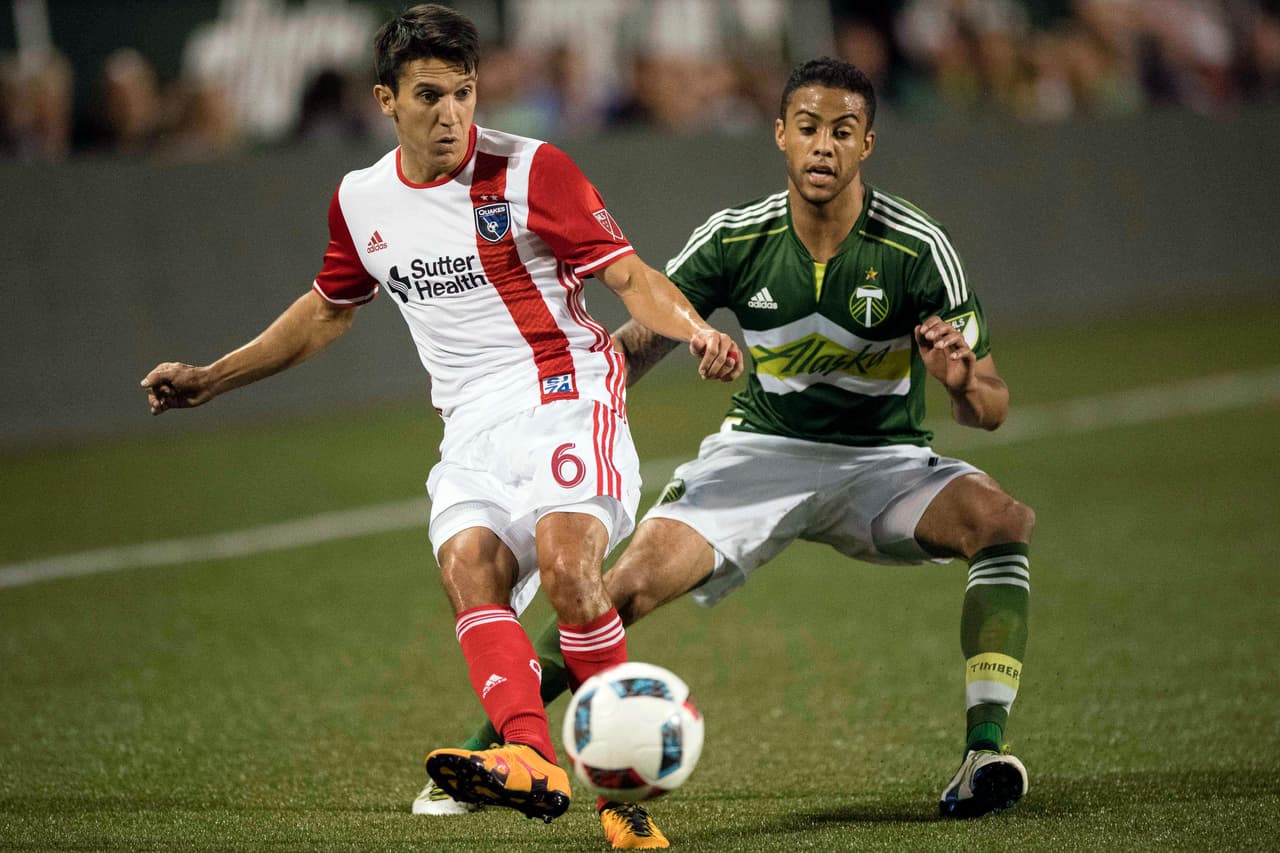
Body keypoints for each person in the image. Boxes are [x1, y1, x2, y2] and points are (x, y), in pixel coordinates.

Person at [139, 3, 741, 845]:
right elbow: (325, 312)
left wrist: (697, 330)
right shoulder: (361, 200)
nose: (452, 113)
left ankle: (621, 800)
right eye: (429, 95)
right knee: (469, 568)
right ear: (386, 99)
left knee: (571, 569)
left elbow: (630, 276)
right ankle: (531, 756)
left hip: (565, 389)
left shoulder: (533, 170)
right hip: (469, 425)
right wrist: (214, 377)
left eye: (464, 92)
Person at [428, 57, 1036, 838]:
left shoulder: (918, 248)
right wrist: (562, 410)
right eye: (809, 128)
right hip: (760, 454)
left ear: (868, 144)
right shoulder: (736, 237)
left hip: (881, 462)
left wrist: (958, 383)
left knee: (1002, 519)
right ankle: (493, 753)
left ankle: (984, 752)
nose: (823, 147)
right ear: (781, 135)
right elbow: (636, 344)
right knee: (620, 587)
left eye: (842, 132)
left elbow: (991, 405)